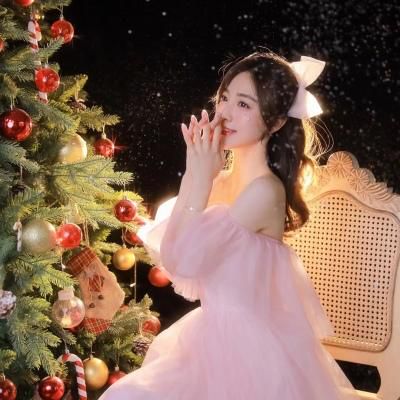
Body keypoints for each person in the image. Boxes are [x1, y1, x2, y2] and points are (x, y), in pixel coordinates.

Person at [100, 51, 360, 399]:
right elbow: (175, 258)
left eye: (243, 104)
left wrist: (198, 176)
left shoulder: (264, 191)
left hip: (251, 357)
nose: (225, 113)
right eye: (224, 98)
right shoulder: (218, 180)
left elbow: (184, 261)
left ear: (276, 122)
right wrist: (197, 175)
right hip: (210, 340)